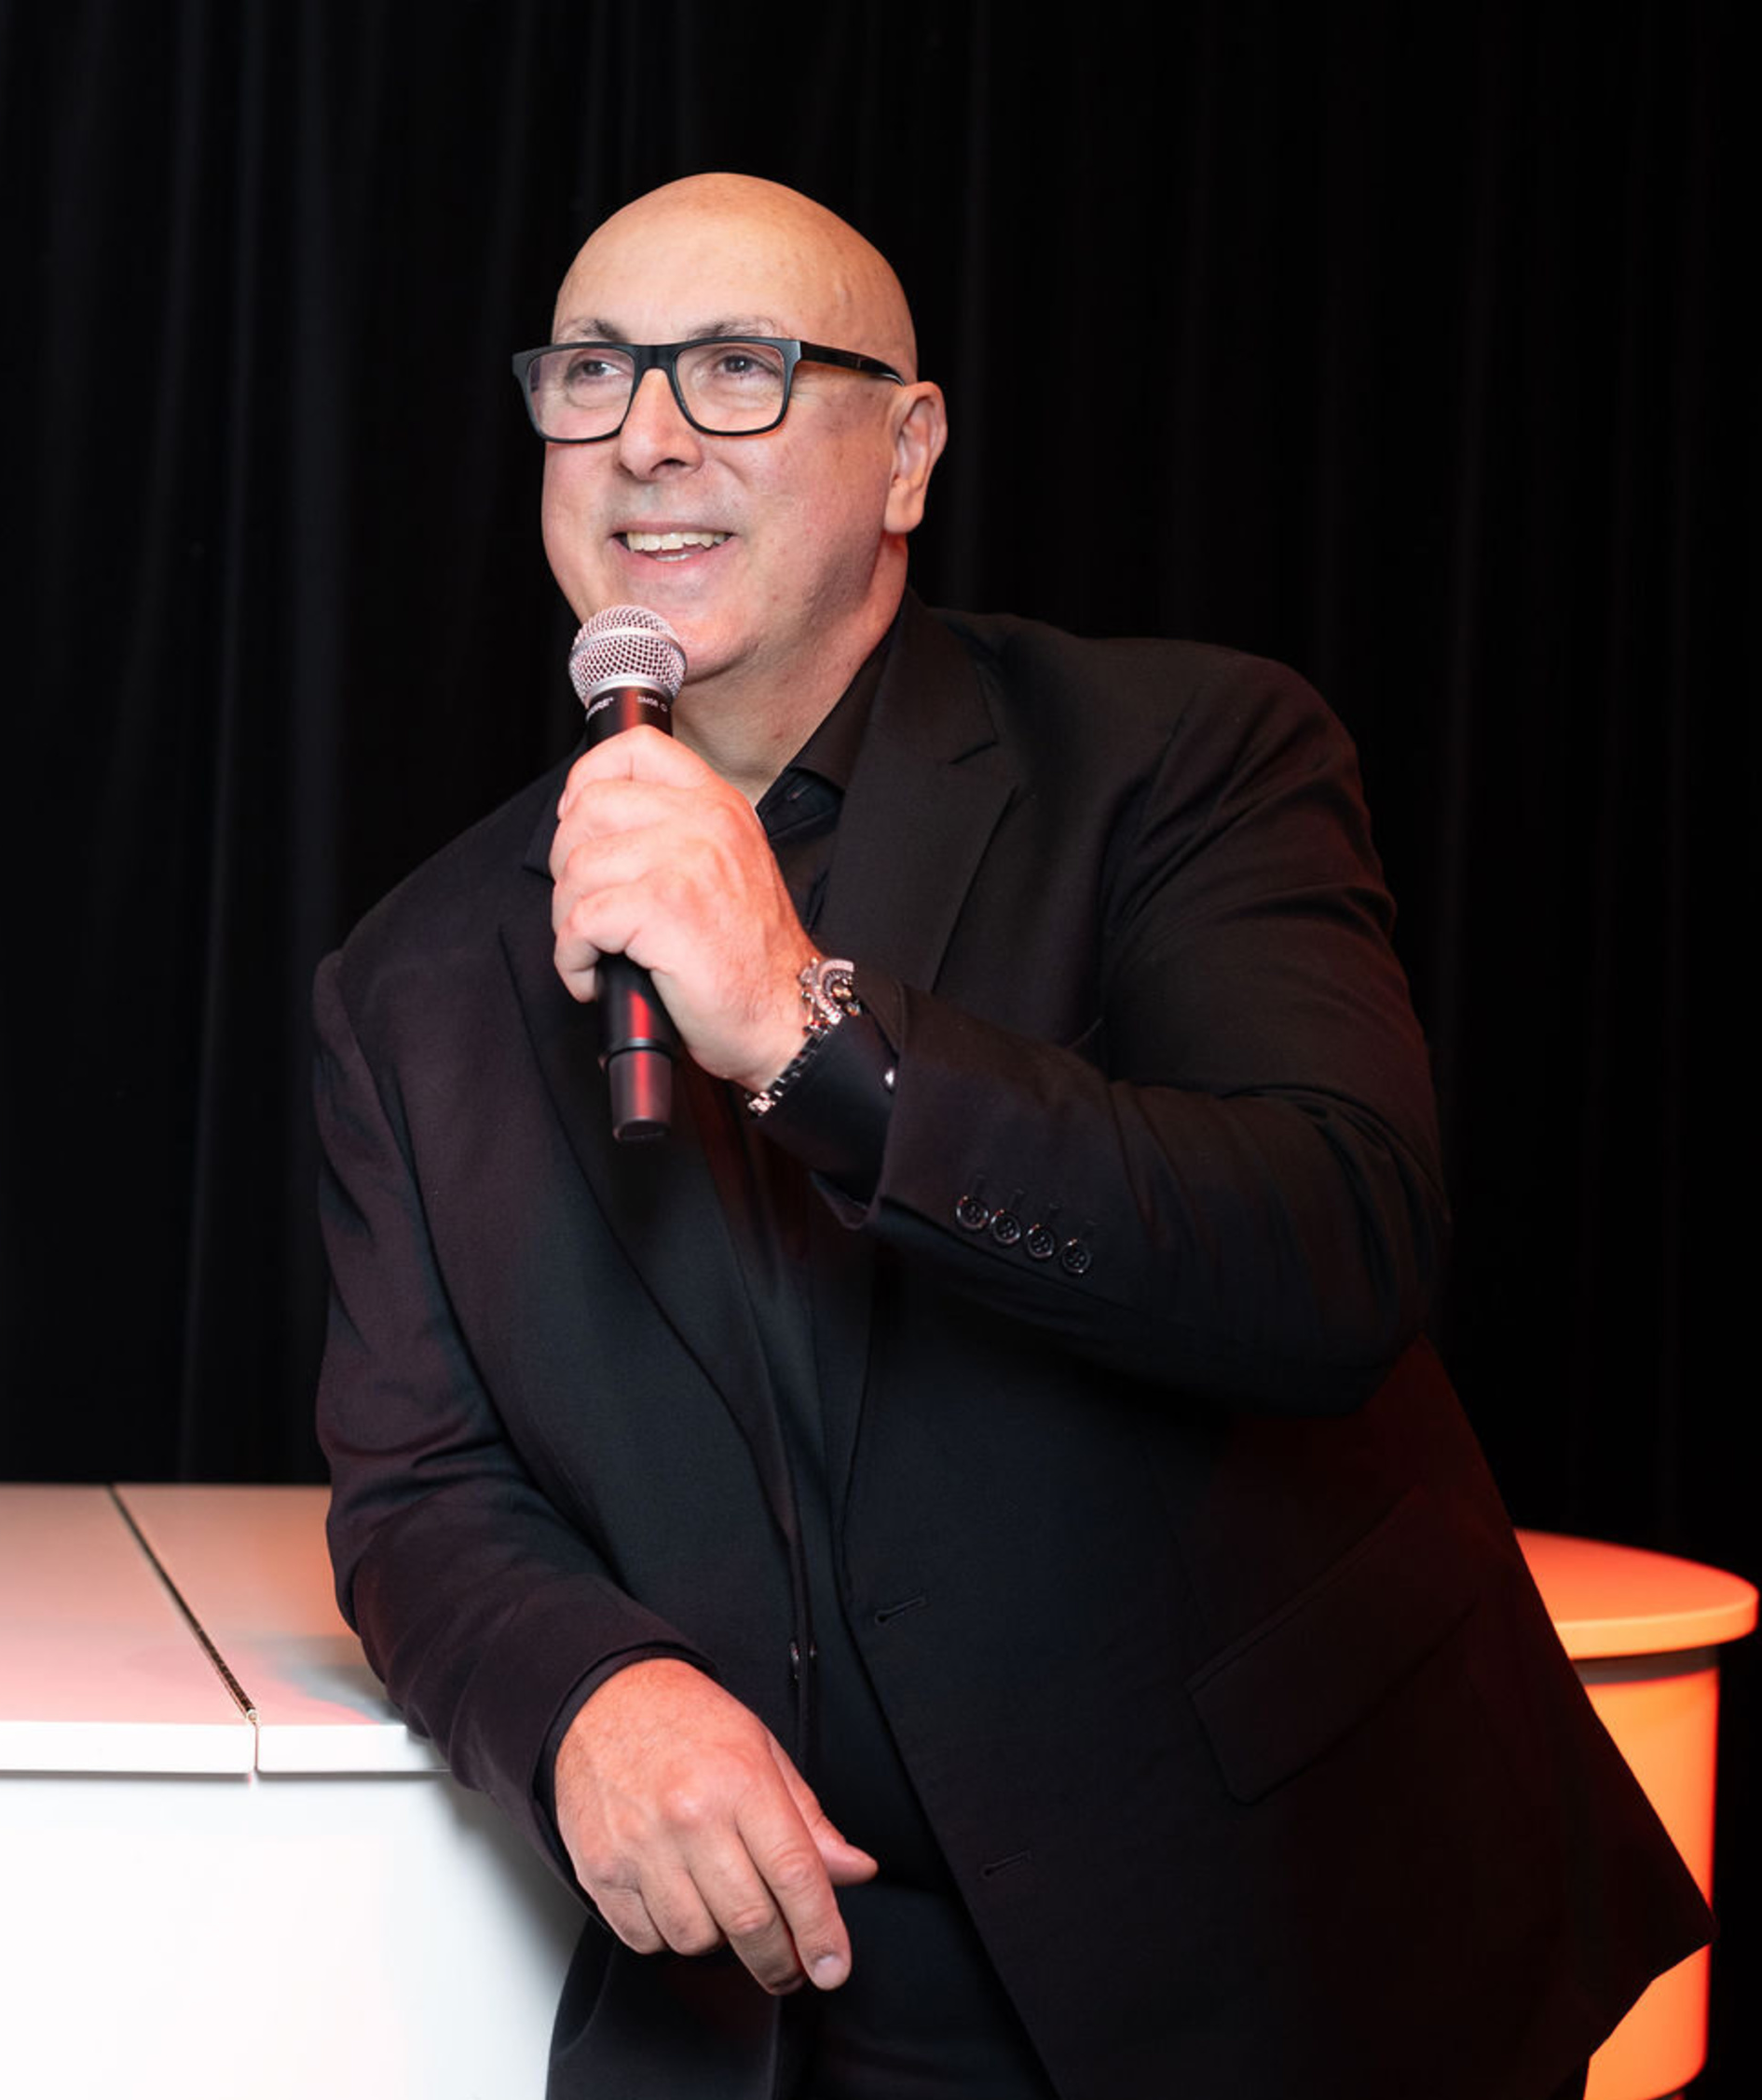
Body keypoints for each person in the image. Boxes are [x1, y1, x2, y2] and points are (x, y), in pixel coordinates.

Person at [314, 173, 1709, 2100]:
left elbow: (1331, 1247)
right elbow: (420, 1488)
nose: (643, 432)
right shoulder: (410, 977)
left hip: (1280, 1958)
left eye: (734, 367)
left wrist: (807, 1026)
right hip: (775, 2010)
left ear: (907, 451)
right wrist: (583, 1695)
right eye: (591, 372)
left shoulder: (1181, 759)